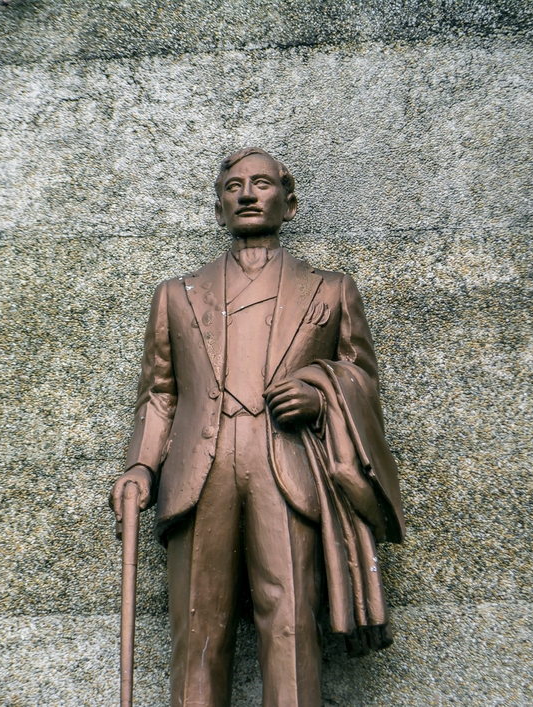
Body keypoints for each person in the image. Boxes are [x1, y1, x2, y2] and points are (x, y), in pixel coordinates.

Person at [110, 147, 404, 707]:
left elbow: (362, 378)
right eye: (234, 186)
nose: (247, 194)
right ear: (219, 210)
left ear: (288, 204)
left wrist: (321, 393)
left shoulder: (331, 290)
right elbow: (159, 394)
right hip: (201, 472)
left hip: (287, 467)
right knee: (198, 630)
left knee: (291, 624)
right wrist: (141, 466)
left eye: (262, 184)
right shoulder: (177, 295)